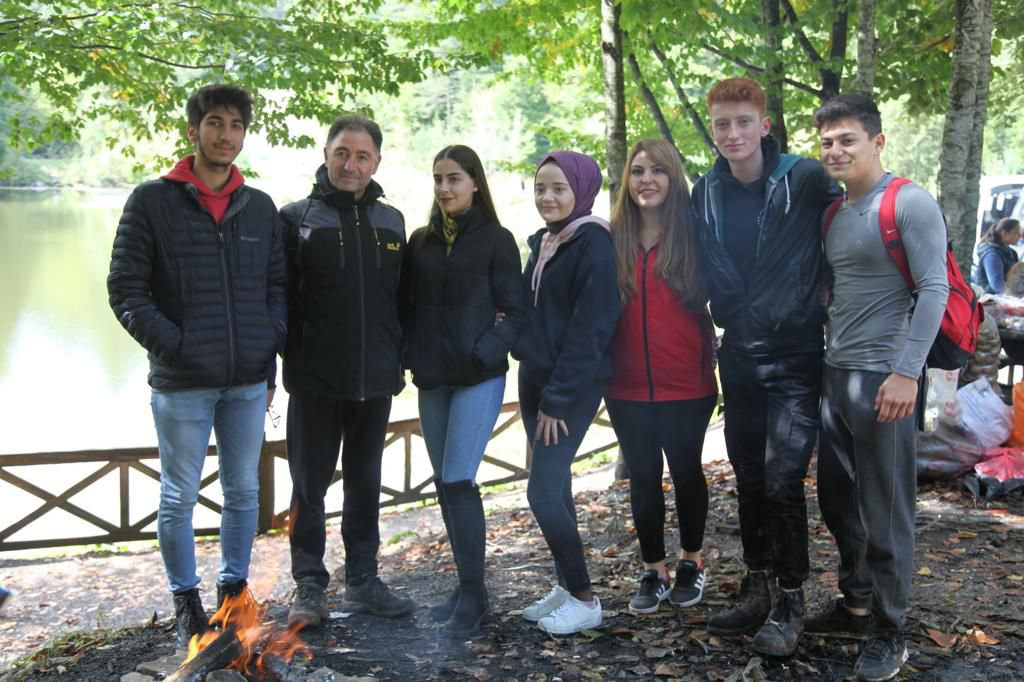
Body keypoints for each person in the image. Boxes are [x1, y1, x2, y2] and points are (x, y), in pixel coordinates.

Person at [107, 84, 287, 649]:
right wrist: (177, 346)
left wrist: (267, 340)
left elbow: (277, 286)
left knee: (243, 492)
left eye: (236, 125)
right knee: (179, 495)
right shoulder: (152, 201)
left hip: (247, 380)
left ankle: (234, 595)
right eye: (215, 123)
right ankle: (185, 601)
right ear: (193, 130)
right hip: (182, 382)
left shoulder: (259, 207)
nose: (225, 135)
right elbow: (126, 291)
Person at [690, 77, 841, 656]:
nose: (732, 134)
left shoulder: (801, 177)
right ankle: (756, 585)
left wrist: (827, 289)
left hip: (797, 351)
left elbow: (845, 227)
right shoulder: (704, 191)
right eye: (722, 124)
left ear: (765, 125)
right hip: (739, 353)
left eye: (742, 123)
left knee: (782, 478)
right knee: (749, 474)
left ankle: (790, 598)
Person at [811, 94, 947, 682]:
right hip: (835, 376)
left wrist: (905, 372)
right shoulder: (838, 212)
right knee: (839, 500)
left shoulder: (908, 202)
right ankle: (856, 603)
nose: (835, 151)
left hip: (885, 377)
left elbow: (934, 289)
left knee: (887, 512)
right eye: (827, 143)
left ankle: (890, 632)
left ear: (877, 142)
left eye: (847, 140)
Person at [281, 115, 412, 628]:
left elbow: (405, 301)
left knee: (365, 482)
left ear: (376, 161)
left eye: (362, 156)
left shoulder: (393, 222)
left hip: (375, 381)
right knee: (308, 487)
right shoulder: (296, 218)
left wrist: (396, 360)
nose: (350, 164)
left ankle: (362, 581)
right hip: (314, 380)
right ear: (326, 153)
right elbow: (280, 299)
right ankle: (310, 586)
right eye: (342, 153)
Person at [401, 145, 526, 637]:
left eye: (454, 178)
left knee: (458, 480)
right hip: (433, 378)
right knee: (444, 485)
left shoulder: (497, 240)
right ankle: (463, 584)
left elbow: (515, 313)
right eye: (438, 179)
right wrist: (412, 354)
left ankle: (475, 597)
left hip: (478, 376)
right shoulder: (420, 242)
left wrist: (485, 350)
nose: (445, 188)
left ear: (475, 183)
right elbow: (406, 309)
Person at [604, 139, 718, 616]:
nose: (646, 180)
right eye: (637, 171)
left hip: (686, 384)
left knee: (688, 471)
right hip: (626, 387)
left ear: (673, 179)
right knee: (643, 478)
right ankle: (654, 569)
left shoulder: (696, 236)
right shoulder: (610, 239)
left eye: (657, 171)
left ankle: (691, 561)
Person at [512, 151, 620, 636]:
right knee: (555, 488)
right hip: (535, 377)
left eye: (558, 188)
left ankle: (584, 596)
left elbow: (591, 329)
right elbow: (532, 308)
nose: (547, 198)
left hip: (568, 387)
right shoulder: (547, 242)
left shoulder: (593, 243)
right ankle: (563, 586)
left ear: (582, 189)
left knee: (542, 492)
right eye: (540, 189)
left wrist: (557, 399)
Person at [972, 217, 1021, 294]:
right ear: (1004, 233)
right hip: (989, 300)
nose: (1019, 236)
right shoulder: (992, 254)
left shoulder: (1012, 252)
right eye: (1016, 233)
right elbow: (997, 285)